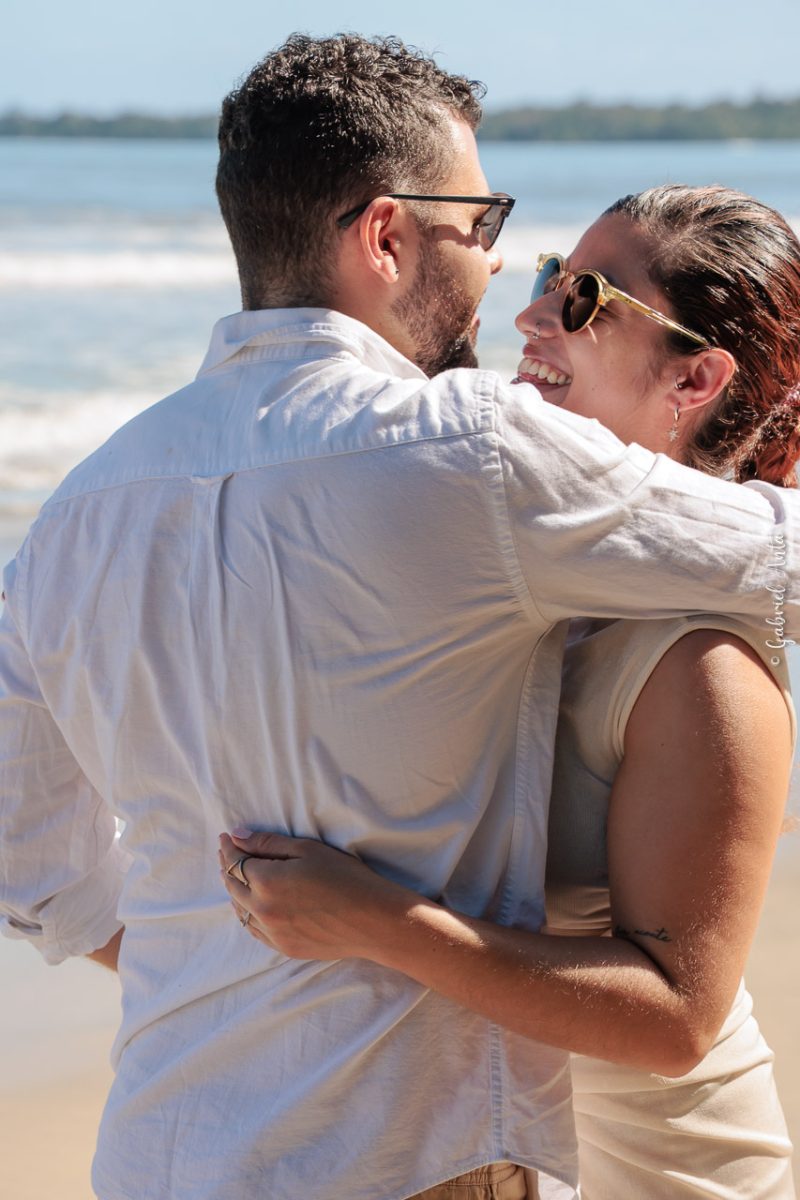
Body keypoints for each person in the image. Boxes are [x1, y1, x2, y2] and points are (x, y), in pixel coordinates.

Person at [0, 30, 797, 1198]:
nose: (503, 287)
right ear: (384, 234)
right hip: (405, 1155)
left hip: (164, 1151)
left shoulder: (72, 517)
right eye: (484, 234)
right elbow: (777, 558)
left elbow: (33, 866)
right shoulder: (470, 457)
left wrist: (214, 959)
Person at [219, 185, 800, 1199]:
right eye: (544, 279)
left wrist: (376, 925)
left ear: (695, 378)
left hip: (669, 1178)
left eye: (584, 300)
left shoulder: (700, 658)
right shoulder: (523, 585)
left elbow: (674, 1021)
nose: (531, 314)